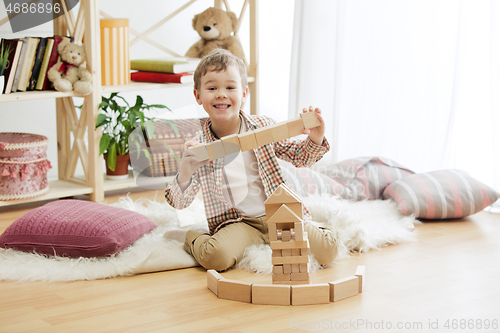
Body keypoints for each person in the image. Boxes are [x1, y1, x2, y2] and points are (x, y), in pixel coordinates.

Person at [165, 49, 338, 272]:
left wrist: (315, 138)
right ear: (198, 96)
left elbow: (299, 156)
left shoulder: (263, 126)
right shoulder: (199, 147)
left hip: (279, 213)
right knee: (216, 257)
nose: (221, 94)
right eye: (211, 88)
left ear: (244, 93)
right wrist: (185, 172)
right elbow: (179, 203)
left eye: (230, 87)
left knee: (328, 250)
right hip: (239, 223)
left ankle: (312, 228)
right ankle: (191, 238)